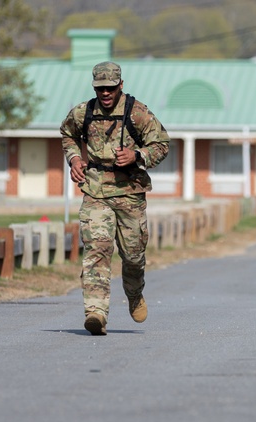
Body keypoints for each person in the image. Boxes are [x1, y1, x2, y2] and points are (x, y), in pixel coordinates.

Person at [60, 61, 170, 336]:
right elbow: (68, 134)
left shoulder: (138, 113)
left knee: (133, 256)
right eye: (100, 89)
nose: (105, 93)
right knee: (97, 250)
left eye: (110, 88)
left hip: (130, 193)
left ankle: (134, 294)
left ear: (121, 85)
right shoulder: (83, 112)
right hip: (96, 191)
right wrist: (74, 159)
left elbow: (162, 145)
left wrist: (138, 156)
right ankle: (95, 312)